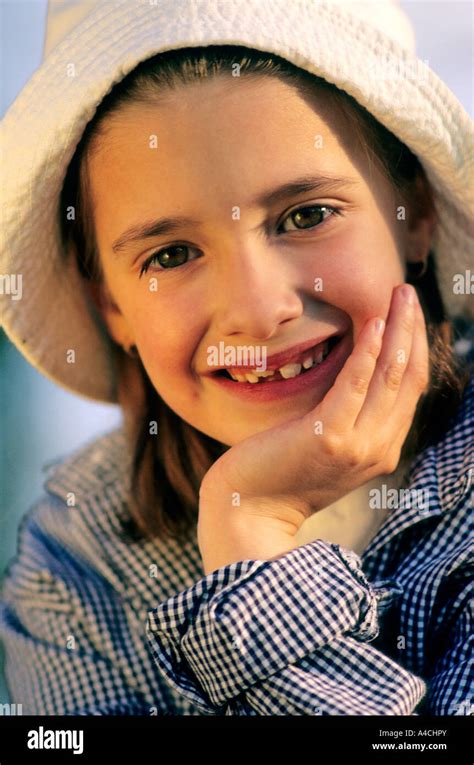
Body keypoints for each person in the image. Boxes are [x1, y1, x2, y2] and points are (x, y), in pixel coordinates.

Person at [0, 0, 472, 716]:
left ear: (417, 214)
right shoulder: (75, 568)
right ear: (113, 308)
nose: (257, 308)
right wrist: (252, 519)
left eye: (306, 215)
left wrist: (252, 532)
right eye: (172, 254)